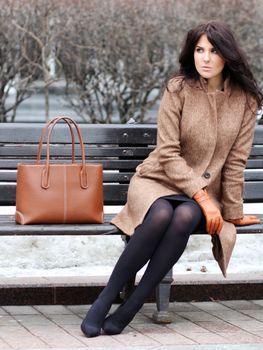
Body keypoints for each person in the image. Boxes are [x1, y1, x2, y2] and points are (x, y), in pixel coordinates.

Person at [81, 21, 262, 337]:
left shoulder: (245, 101)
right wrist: (202, 196)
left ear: (228, 56)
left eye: (213, 51)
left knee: (185, 215)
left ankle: (133, 304)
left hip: (202, 192)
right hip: (159, 180)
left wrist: (231, 212)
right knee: (164, 211)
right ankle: (105, 298)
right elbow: (167, 153)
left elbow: (235, 163)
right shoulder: (178, 89)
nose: (204, 58)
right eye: (199, 50)